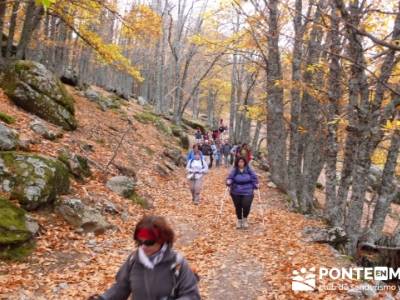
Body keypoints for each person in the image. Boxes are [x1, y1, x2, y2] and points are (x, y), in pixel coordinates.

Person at [90, 215, 200, 300]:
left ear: (162, 240)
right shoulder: (133, 260)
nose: (143, 246)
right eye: (139, 242)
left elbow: (191, 295)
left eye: (149, 242)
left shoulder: (177, 263)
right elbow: (121, 288)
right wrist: (104, 298)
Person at [226, 157, 259, 229]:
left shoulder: (249, 169)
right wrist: (228, 181)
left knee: (246, 205)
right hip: (236, 191)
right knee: (238, 206)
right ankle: (239, 220)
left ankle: (245, 219)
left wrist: (256, 184)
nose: (241, 163)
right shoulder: (235, 170)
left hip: (248, 191)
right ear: (237, 163)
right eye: (239, 162)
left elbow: (254, 178)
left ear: (245, 162)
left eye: (242, 162)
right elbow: (230, 177)